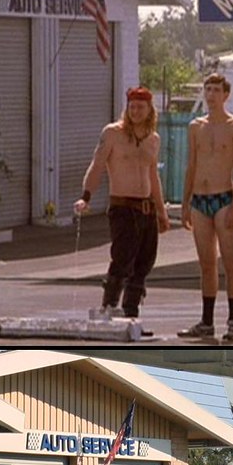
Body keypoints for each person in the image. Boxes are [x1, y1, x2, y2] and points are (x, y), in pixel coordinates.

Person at [73, 86, 169, 319]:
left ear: (150, 110)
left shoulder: (153, 138)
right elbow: (96, 166)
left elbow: (153, 176)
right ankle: (109, 307)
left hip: (146, 208)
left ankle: (130, 314)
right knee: (122, 259)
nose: (135, 111)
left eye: (141, 107)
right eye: (132, 106)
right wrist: (86, 196)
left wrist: (161, 210)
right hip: (123, 207)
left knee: (144, 263)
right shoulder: (112, 133)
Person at [179, 73, 233, 341]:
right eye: (207, 89)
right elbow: (192, 165)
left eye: (216, 90)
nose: (211, 95)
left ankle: (232, 320)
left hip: (224, 197)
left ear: (225, 94)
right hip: (199, 198)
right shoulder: (195, 126)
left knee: (230, 259)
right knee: (206, 262)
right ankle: (207, 320)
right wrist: (185, 203)